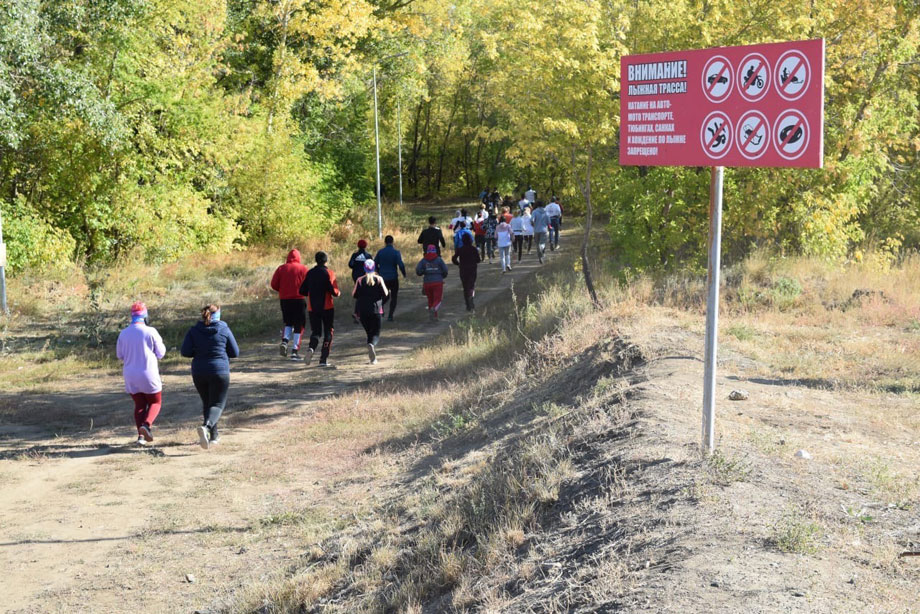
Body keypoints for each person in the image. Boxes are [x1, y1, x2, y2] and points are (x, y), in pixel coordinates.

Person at [181, 304, 240, 450]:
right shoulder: (223, 328)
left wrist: (199, 351)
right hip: (219, 371)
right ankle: (206, 427)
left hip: (199, 372)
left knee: (207, 403)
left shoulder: (194, 330)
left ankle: (213, 437)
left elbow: (185, 351)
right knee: (217, 404)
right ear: (219, 315)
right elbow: (235, 352)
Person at [116, 302, 166, 445]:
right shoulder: (150, 332)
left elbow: (119, 355)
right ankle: (147, 425)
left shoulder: (123, 333)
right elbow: (161, 353)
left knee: (139, 405)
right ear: (145, 316)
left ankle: (141, 437)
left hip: (130, 374)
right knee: (155, 402)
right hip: (148, 373)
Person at [299, 251, 341, 367]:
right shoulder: (329, 273)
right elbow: (334, 291)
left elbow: (302, 291)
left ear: (316, 260)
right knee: (328, 331)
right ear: (326, 260)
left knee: (316, 332)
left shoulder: (310, 273)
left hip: (313, 308)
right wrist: (337, 293)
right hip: (327, 307)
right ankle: (323, 359)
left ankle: (311, 349)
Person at [270, 248, 308, 361]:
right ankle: (295, 351)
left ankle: (285, 341)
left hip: (285, 300)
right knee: (299, 325)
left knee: (288, 322)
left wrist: (282, 290)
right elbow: (308, 284)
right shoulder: (303, 269)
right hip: (299, 299)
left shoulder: (281, 268)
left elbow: (273, 284)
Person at [352, 260, 389, 364]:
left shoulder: (359, 280)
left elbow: (354, 295)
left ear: (364, 268)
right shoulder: (379, 279)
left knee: (369, 333)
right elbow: (386, 294)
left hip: (363, 311)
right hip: (377, 310)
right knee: (375, 334)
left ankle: (373, 358)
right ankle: (372, 345)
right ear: (374, 268)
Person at [373, 235, 407, 322]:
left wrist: (378, 272)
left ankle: (380, 307)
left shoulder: (380, 252)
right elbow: (401, 265)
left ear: (385, 242)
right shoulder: (396, 252)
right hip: (393, 277)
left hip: (382, 278)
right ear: (392, 242)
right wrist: (404, 274)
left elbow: (374, 263)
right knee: (394, 297)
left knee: (384, 295)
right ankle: (390, 316)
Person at [416, 245, 448, 321]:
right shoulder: (439, 260)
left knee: (430, 299)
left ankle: (434, 317)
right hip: (438, 282)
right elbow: (445, 270)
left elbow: (418, 270)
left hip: (427, 282)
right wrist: (442, 276)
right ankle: (434, 309)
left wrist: (422, 272)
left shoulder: (423, 260)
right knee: (438, 299)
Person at [451, 232, 481, 311]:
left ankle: (467, 304)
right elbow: (478, 260)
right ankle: (471, 297)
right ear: (471, 240)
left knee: (465, 287)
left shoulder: (460, 249)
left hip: (463, 270)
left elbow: (454, 259)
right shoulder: (473, 249)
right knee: (471, 285)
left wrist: (458, 264)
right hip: (472, 269)